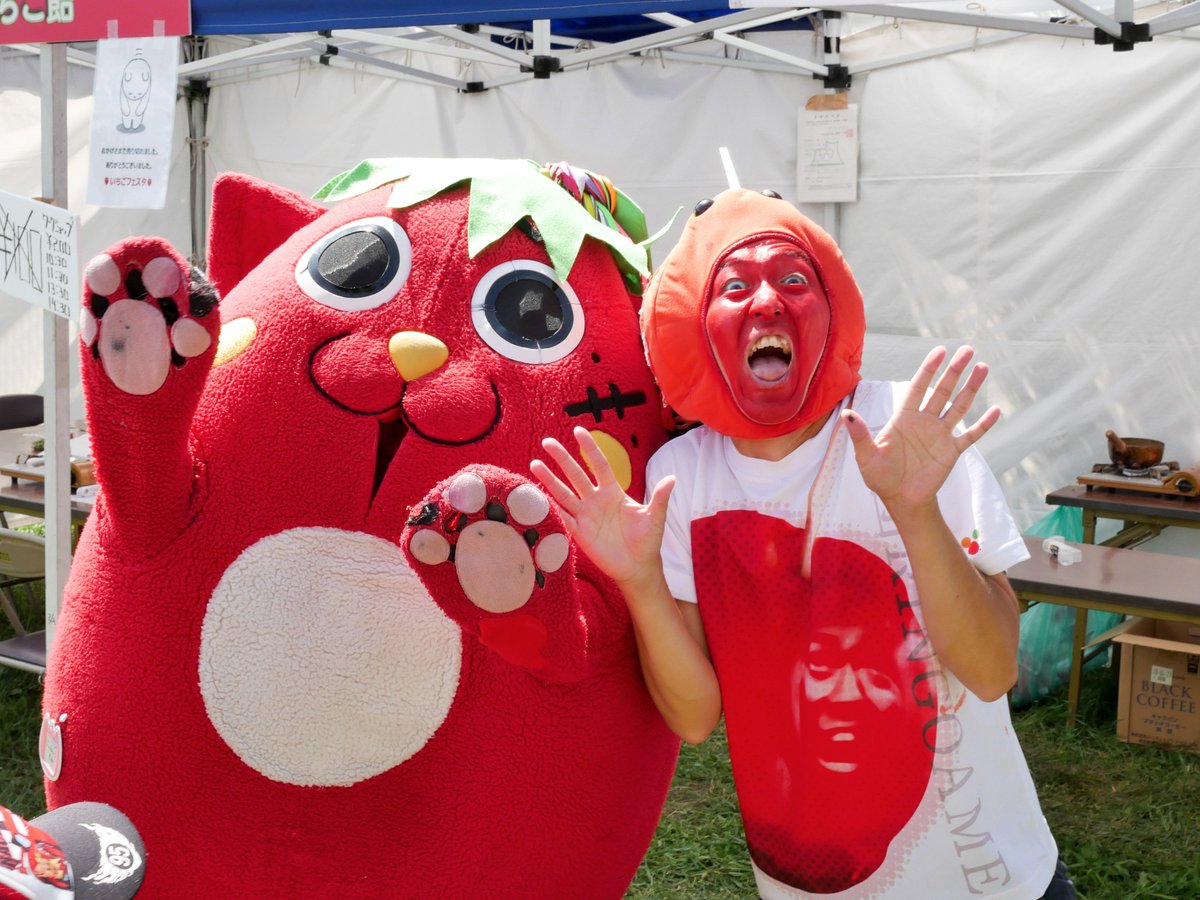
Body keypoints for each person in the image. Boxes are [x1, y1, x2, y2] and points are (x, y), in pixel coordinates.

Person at [531, 189, 1075, 899]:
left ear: (830, 310)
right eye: (735, 286)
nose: (766, 304)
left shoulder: (906, 431)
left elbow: (993, 668)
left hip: (994, 878)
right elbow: (695, 720)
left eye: (793, 280)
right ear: (698, 320)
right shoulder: (679, 478)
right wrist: (640, 582)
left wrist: (914, 510)